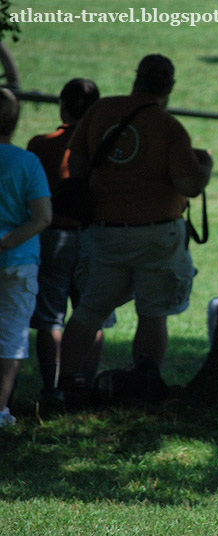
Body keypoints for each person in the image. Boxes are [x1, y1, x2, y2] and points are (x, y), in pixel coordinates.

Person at [57, 54, 213, 403]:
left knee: (90, 310)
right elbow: (189, 184)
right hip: (157, 234)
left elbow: (77, 163)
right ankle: (146, 385)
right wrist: (205, 165)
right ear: (169, 86)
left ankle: (63, 383)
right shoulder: (168, 127)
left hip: (104, 231)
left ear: (136, 77)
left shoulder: (101, 111)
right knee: (153, 311)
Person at [26, 78, 111, 415]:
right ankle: (83, 386)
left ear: (62, 105)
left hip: (52, 238)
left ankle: (52, 390)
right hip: (91, 237)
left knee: (50, 319)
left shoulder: (39, 145)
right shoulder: (101, 149)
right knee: (92, 314)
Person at [0, 88, 53, 426]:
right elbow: (43, 217)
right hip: (18, 260)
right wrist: (6, 243)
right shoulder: (27, 162)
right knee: (11, 335)